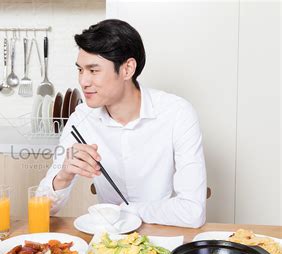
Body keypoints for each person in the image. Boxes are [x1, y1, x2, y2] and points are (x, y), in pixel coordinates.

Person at [39, 19, 207, 228]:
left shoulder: (177, 113)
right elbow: (43, 208)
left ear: (127, 69)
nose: (83, 81)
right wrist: (63, 176)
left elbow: (192, 213)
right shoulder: (81, 118)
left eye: (93, 70)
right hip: (109, 241)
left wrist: (128, 210)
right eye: (80, 70)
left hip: (164, 235)